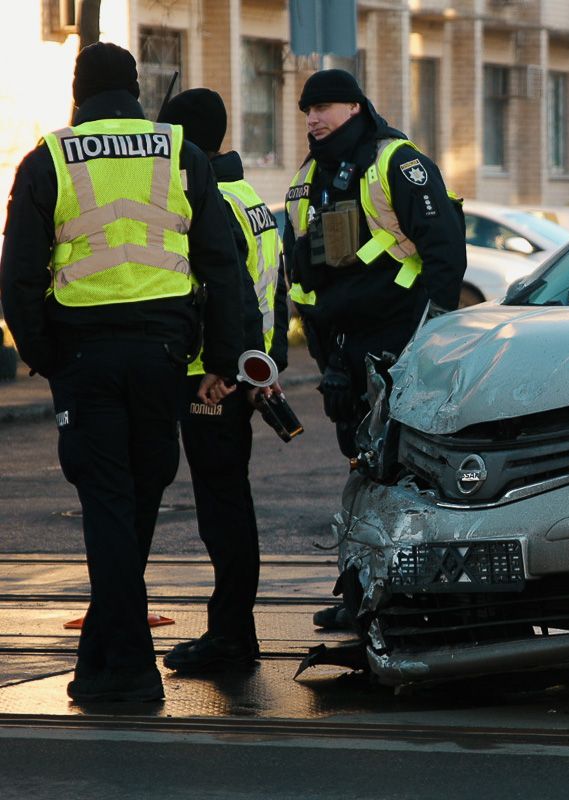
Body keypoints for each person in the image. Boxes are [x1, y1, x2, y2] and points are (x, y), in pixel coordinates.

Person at [0, 43, 243, 702]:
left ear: (78, 92)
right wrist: (224, 360)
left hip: (85, 356)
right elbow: (222, 264)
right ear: (137, 89)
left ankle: (130, 671)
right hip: (164, 357)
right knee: (135, 503)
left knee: (108, 505)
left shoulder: (49, 157)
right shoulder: (180, 153)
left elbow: (19, 275)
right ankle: (100, 659)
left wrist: (46, 356)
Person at [283, 69, 467, 631]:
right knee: (362, 470)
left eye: (324, 107)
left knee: (410, 474)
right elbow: (303, 271)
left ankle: (425, 597)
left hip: (402, 341)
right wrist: (327, 358)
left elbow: (444, 253)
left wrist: (431, 341)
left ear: (355, 107)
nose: (313, 119)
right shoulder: (308, 177)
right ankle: (363, 591)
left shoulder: (395, 162)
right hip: (344, 350)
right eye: (306, 110)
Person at [157, 88, 288, 672]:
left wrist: (227, 368)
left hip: (211, 378)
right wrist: (266, 368)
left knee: (222, 509)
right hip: (243, 370)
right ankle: (235, 633)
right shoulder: (247, 195)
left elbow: (228, 291)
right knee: (229, 500)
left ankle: (232, 637)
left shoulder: (207, 195)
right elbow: (277, 296)